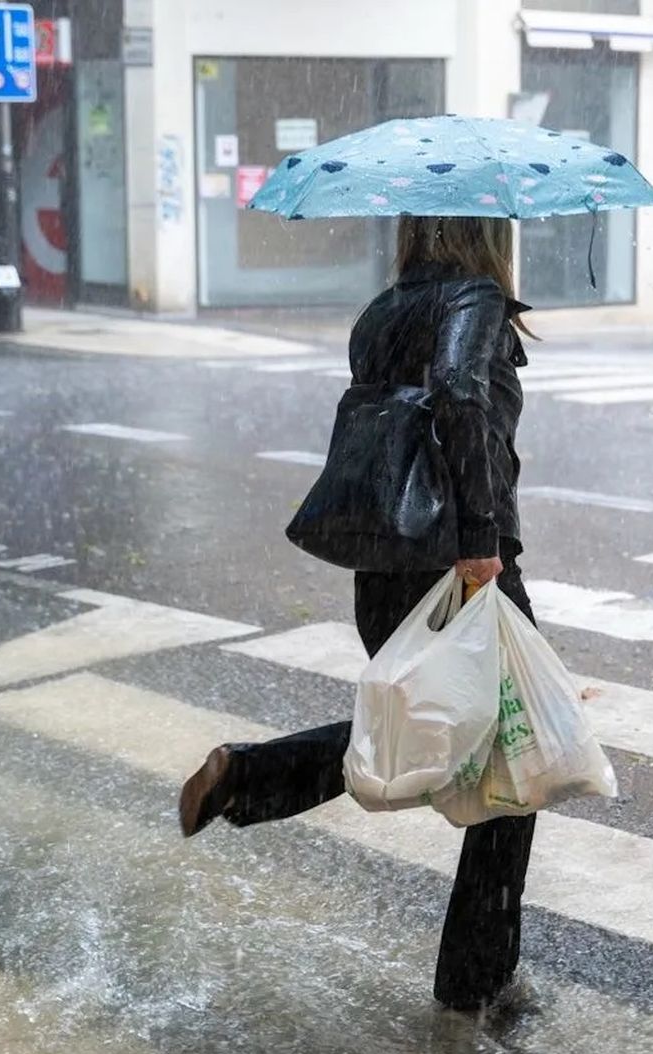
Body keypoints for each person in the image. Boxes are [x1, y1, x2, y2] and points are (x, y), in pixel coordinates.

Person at [177, 215, 536, 1013]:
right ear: (489, 233)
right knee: (514, 752)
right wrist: (481, 538)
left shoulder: (383, 311)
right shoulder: (473, 297)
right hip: (460, 564)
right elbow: (456, 391)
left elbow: (403, 426)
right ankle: (475, 982)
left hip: (386, 566)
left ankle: (247, 778)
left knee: (438, 729)